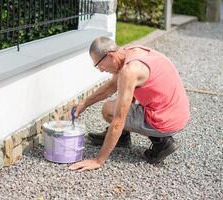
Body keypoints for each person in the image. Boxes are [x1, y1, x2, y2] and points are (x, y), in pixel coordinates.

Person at [68, 36, 190, 172]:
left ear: (111, 55)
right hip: (178, 112)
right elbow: (111, 86)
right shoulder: (129, 52)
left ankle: (162, 143)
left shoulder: (130, 71)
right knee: (117, 105)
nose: (101, 70)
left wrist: (98, 160)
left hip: (166, 121)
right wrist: (84, 103)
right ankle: (122, 138)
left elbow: (118, 121)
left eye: (99, 65)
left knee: (109, 110)